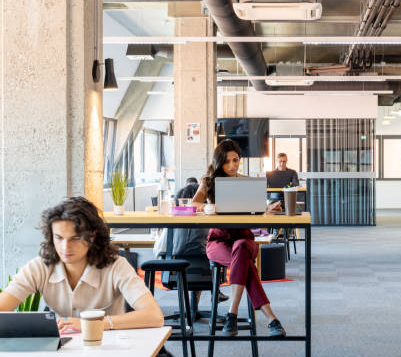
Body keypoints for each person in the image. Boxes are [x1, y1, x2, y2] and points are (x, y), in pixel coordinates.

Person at [0, 197, 164, 333]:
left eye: (75, 238)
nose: (65, 247)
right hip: (63, 351)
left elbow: (154, 316)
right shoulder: (39, 267)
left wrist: (94, 323)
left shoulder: (116, 266)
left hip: (107, 348)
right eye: (59, 238)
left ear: (92, 236)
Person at [192, 139, 286, 337]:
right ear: (219, 163)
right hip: (218, 241)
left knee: (241, 247)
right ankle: (272, 319)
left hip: (244, 239)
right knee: (244, 261)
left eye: (235, 160)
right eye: (227, 162)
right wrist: (211, 207)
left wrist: (268, 207)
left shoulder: (246, 181)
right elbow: (193, 204)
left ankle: (231, 314)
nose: (232, 165)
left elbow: (258, 209)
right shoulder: (209, 181)